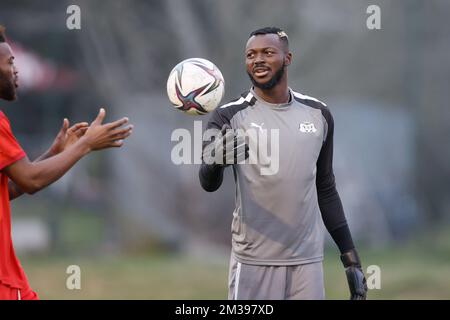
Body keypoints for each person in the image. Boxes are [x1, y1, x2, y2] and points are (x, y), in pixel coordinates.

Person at [199, 27, 367, 300]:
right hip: (253, 263)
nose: (258, 60)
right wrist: (215, 161)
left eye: (268, 52)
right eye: (251, 55)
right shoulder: (228, 116)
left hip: (307, 263)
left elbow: (325, 188)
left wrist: (350, 257)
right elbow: (207, 183)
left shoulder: (318, 114)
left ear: (287, 58)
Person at [0, 25, 133, 300]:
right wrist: (86, 145)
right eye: (10, 62)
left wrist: (54, 154)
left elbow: (10, 188)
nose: (16, 70)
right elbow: (30, 180)